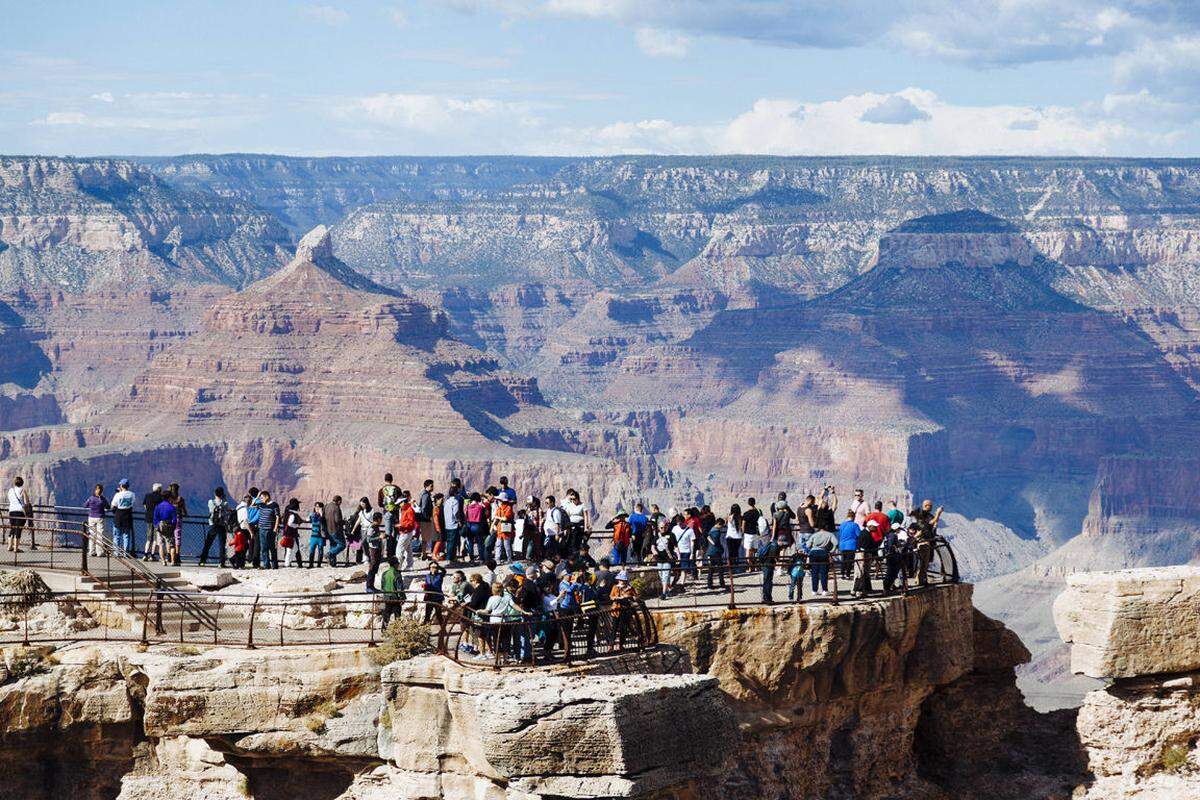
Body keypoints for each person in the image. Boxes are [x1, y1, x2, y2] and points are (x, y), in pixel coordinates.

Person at [200, 487, 229, 567]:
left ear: (215, 494)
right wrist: (224, 499)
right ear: (222, 494)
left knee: (208, 543)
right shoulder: (225, 503)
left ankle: (202, 561)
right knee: (222, 544)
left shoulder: (211, 502)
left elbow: (210, 511)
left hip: (212, 524)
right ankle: (221, 563)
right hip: (222, 525)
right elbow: (226, 511)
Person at [806, 526, 838, 596]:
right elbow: (836, 543)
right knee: (824, 573)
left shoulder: (814, 535)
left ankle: (814, 590)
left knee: (814, 573)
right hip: (823, 552)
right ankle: (824, 590)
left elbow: (808, 545)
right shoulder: (830, 534)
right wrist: (832, 551)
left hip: (813, 553)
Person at [110, 479, 135, 557]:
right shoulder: (132, 494)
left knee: (117, 536)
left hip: (118, 516)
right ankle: (126, 553)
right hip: (128, 516)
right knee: (126, 536)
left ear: (121, 486)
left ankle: (116, 553)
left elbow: (113, 506)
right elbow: (132, 503)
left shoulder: (118, 495)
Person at [256, 490, 281, 569]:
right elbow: (251, 505)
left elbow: (277, 517)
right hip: (261, 529)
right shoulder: (261, 505)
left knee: (272, 547)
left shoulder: (274, 505)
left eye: (262, 497)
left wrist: (275, 528)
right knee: (263, 548)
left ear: (267, 496)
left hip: (270, 529)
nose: (261, 499)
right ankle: (266, 565)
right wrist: (257, 497)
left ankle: (274, 565)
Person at [379, 556, 406, 627]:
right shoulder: (397, 574)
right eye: (397, 563)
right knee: (397, 614)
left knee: (386, 614)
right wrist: (402, 597)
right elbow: (399, 588)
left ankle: (384, 630)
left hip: (387, 597)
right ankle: (397, 631)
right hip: (395, 598)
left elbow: (382, 586)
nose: (398, 565)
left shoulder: (384, 574)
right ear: (395, 564)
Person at [84, 483, 109, 557]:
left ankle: (92, 551)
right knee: (100, 535)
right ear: (102, 491)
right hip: (100, 517)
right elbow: (108, 506)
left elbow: (85, 505)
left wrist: (91, 505)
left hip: (91, 517)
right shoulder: (102, 499)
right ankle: (100, 552)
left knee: (92, 535)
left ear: (95, 490)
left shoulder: (91, 498)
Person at [652, 521, 675, 601]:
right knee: (662, 576)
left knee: (665, 575)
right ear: (659, 528)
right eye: (661, 527)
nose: (663, 529)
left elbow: (675, 546)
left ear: (667, 527)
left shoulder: (671, 535)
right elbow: (653, 546)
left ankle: (664, 593)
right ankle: (668, 589)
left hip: (668, 559)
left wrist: (678, 555)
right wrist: (654, 552)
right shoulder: (656, 536)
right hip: (659, 559)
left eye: (665, 527)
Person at [7, 476, 30, 553]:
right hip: (20, 512)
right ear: (22, 483)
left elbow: (10, 499)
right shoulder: (23, 490)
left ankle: (9, 546)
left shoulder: (11, 490)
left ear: (15, 482)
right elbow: (26, 503)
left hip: (11, 511)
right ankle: (16, 549)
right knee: (18, 530)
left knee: (12, 528)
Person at [153, 490, 177, 562]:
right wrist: (173, 527)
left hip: (160, 526)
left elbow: (155, 518)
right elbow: (174, 519)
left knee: (161, 545)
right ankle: (173, 561)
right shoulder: (172, 507)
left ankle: (163, 561)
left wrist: (157, 526)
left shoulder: (158, 507)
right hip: (169, 527)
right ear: (169, 497)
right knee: (172, 545)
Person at [363, 510, 385, 592]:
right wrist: (379, 537)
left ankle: (372, 586)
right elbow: (368, 539)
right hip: (373, 550)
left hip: (377, 549)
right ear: (378, 519)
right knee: (372, 568)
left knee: (375, 568)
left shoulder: (376, 526)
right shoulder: (371, 527)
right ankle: (368, 586)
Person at [837, 509, 861, 581]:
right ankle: (848, 574)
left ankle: (842, 574)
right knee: (849, 561)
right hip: (851, 544)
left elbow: (840, 534)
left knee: (843, 560)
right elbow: (858, 535)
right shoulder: (855, 525)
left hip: (842, 545)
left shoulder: (842, 525)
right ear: (853, 517)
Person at [442, 485, 463, 564]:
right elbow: (456, 513)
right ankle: (450, 558)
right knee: (452, 542)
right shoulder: (455, 501)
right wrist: (459, 521)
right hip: (453, 524)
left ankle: (451, 557)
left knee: (449, 541)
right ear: (455, 493)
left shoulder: (447, 501)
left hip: (447, 523)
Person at [142, 483, 163, 560]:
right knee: (155, 538)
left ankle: (145, 554)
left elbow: (144, 504)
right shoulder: (160, 497)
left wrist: (148, 510)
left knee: (148, 537)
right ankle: (152, 555)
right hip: (157, 519)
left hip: (148, 518)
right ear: (159, 489)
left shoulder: (147, 495)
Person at [280, 498, 303, 568]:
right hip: (291, 534)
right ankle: (288, 564)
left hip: (287, 533)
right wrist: (297, 525)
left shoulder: (287, 511)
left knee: (293, 549)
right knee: (290, 549)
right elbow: (290, 523)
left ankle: (289, 562)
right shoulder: (292, 514)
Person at [395, 495, 417, 570]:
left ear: (403, 502)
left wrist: (401, 525)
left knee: (399, 550)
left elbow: (411, 523)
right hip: (405, 532)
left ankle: (398, 567)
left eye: (399, 503)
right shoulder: (404, 509)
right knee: (408, 550)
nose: (399, 505)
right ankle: (410, 566)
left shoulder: (409, 510)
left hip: (406, 532)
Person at [324, 496, 346, 567]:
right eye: (341, 502)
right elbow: (337, 520)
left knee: (333, 545)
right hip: (336, 530)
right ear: (339, 501)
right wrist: (344, 522)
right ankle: (329, 553)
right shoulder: (336, 508)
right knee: (342, 545)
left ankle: (332, 563)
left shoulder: (327, 506)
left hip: (328, 529)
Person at [416, 479, 435, 560]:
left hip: (424, 519)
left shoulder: (425, 494)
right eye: (431, 486)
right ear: (427, 486)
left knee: (425, 537)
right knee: (424, 538)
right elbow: (423, 508)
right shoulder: (426, 495)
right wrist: (427, 517)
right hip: (425, 519)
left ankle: (424, 553)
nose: (433, 487)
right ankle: (423, 554)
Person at [168, 483, 187, 566]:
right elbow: (184, 510)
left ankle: (169, 556)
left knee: (170, 537)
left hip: (169, 520)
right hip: (178, 519)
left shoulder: (168, 499)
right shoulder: (180, 499)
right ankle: (177, 555)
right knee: (177, 537)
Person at [493, 495, 515, 563]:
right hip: (500, 529)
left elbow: (505, 518)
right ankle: (497, 559)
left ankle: (509, 559)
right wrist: (494, 525)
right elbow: (496, 518)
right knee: (499, 544)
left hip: (506, 529)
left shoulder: (508, 508)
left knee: (506, 545)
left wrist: (497, 518)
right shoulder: (500, 508)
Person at [306, 501, 327, 568]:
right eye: (316, 506)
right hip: (313, 536)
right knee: (312, 550)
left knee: (320, 550)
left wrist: (321, 514)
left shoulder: (324, 516)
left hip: (321, 536)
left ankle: (319, 565)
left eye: (319, 507)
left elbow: (324, 522)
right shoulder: (313, 515)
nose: (317, 508)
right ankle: (311, 564)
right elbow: (308, 519)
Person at [725, 504, 743, 573]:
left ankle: (730, 567)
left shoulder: (729, 517)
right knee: (736, 552)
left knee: (730, 552)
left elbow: (726, 523)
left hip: (729, 536)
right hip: (738, 537)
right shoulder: (740, 518)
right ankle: (736, 566)